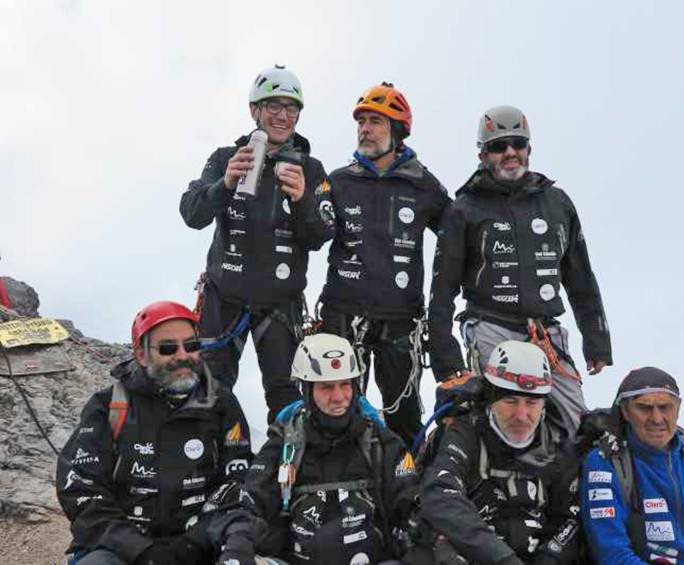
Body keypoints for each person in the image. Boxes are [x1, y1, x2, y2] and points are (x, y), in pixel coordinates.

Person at [428, 105, 612, 436]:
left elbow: (580, 277)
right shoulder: (463, 208)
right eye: (499, 146)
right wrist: (446, 359)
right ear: (483, 154)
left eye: (518, 143)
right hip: (490, 326)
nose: (510, 152)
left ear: (529, 148)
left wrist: (597, 341)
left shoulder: (557, 202)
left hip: (546, 334)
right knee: (503, 417)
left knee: (576, 426)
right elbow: (442, 290)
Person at [180, 64, 335, 422]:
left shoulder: (311, 169)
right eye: (273, 106)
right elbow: (191, 214)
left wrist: (303, 203)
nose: (282, 116)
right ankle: (208, 471)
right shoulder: (225, 158)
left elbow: (321, 236)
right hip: (224, 298)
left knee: (286, 399)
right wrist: (225, 184)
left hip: (281, 305)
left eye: (291, 108)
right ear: (255, 110)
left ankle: (282, 474)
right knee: (208, 389)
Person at [56, 301, 252, 564]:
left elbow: (237, 483)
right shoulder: (108, 406)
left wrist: (195, 542)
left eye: (191, 345)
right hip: (122, 550)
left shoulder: (222, 404)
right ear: (141, 354)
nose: (182, 355)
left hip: (200, 546)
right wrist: (140, 550)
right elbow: (80, 487)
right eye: (168, 348)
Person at [318, 82, 451, 446]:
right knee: (337, 412)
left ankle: (407, 493)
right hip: (343, 313)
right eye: (361, 121)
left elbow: (458, 239)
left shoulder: (423, 184)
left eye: (375, 121)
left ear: (397, 130)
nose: (365, 129)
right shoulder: (339, 180)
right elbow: (310, 232)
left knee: (404, 416)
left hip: (400, 319)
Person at [211, 333, 418, 565]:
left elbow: (413, 504)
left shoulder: (381, 443)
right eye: (326, 387)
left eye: (345, 385)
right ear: (307, 390)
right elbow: (249, 504)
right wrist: (238, 545)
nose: (339, 397)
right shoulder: (285, 445)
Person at [407, 340, 582, 564]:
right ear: (491, 400)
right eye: (510, 401)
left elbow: (571, 518)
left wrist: (550, 557)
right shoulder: (465, 432)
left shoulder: (558, 443)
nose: (521, 415)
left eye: (531, 403)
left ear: (544, 405)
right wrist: (502, 558)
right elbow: (440, 494)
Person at [580, 367, 684, 564]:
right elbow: (612, 553)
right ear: (625, 411)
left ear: (678, 409)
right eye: (644, 408)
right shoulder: (604, 461)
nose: (657, 418)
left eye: (665, 407)